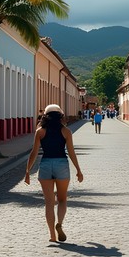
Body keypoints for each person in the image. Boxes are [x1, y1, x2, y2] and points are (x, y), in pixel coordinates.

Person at [24, 104, 84, 242]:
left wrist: (27, 171)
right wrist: (78, 170)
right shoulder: (66, 131)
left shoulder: (40, 131)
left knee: (49, 202)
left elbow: (33, 153)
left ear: (45, 116)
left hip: (45, 164)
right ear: (60, 116)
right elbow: (71, 152)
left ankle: (52, 235)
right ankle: (60, 224)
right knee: (62, 199)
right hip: (61, 164)